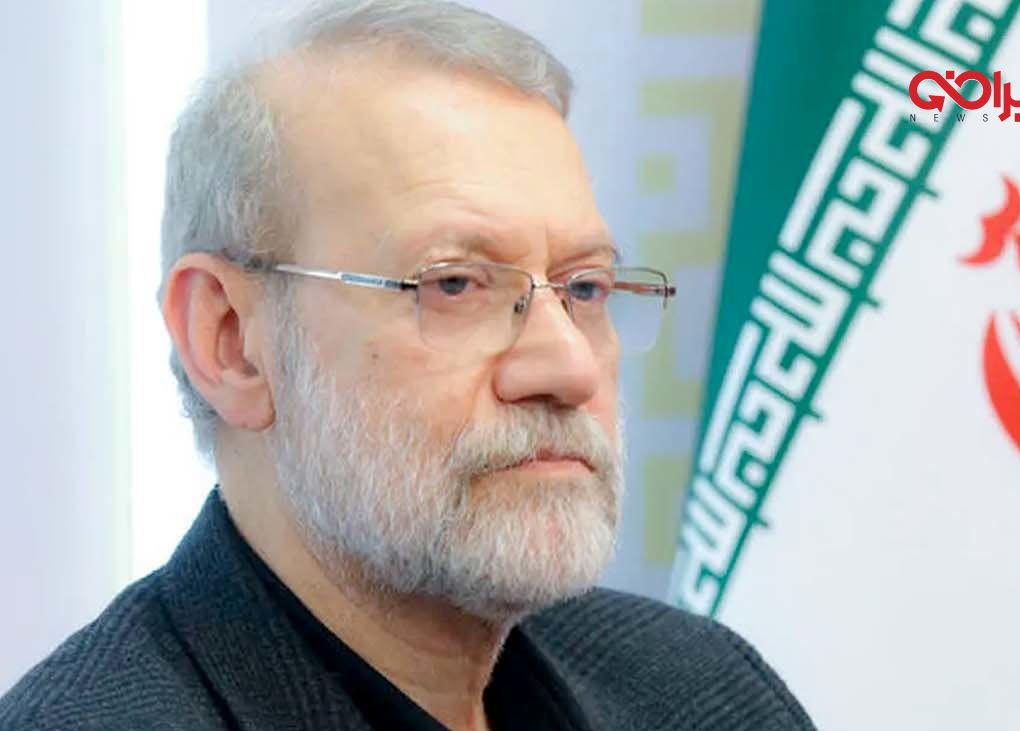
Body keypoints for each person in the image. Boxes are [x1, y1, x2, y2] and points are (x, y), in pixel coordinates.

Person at [0, 1, 813, 729]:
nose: (569, 367)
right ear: (230, 340)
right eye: (455, 283)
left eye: (585, 287)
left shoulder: (699, 689)